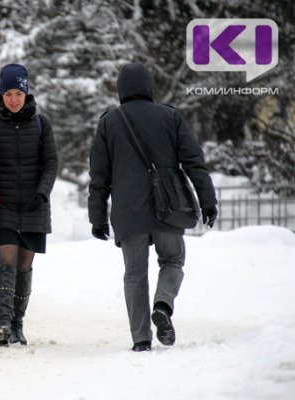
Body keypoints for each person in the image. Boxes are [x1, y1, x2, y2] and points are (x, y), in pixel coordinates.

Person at [88, 63, 218, 352]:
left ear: (121, 89)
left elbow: (99, 177)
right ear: (149, 87)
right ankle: (163, 304)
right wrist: (207, 200)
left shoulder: (109, 122)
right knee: (172, 261)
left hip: (128, 211)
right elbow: (194, 162)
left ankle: (141, 339)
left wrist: (97, 217)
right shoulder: (170, 116)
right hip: (168, 207)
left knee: (134, 274)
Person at [0, 64, 58, 346]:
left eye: (18, 93)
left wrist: (42, 192)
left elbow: (51, 163)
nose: (13, 99)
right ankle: (2, 322)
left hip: (34, 206)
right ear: (1, 95)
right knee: (7, 261)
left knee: (24, 267)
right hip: (3, 206)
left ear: (26, 93)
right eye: (8, 93)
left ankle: (17, 324)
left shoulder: (41, 123)